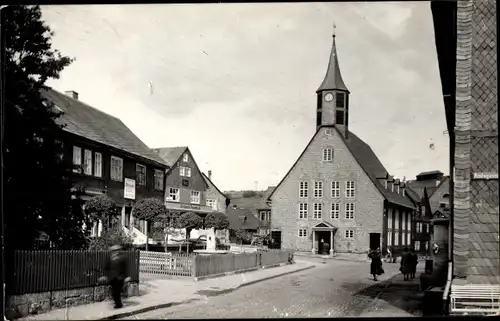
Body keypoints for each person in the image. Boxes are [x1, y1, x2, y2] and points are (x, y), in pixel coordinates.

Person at [104, 244, 130, 309]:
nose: (115, 252)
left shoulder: (123, 257)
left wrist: (126, 276)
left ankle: (118, 304)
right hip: (112, 278)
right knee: (115, 291)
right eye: (114, 250)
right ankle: (119, 300)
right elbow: (107, 267)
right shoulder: (111, 257)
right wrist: (106, 275)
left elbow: (125, 267)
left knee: (115, 292)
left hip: (120, 277)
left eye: (116, 250)